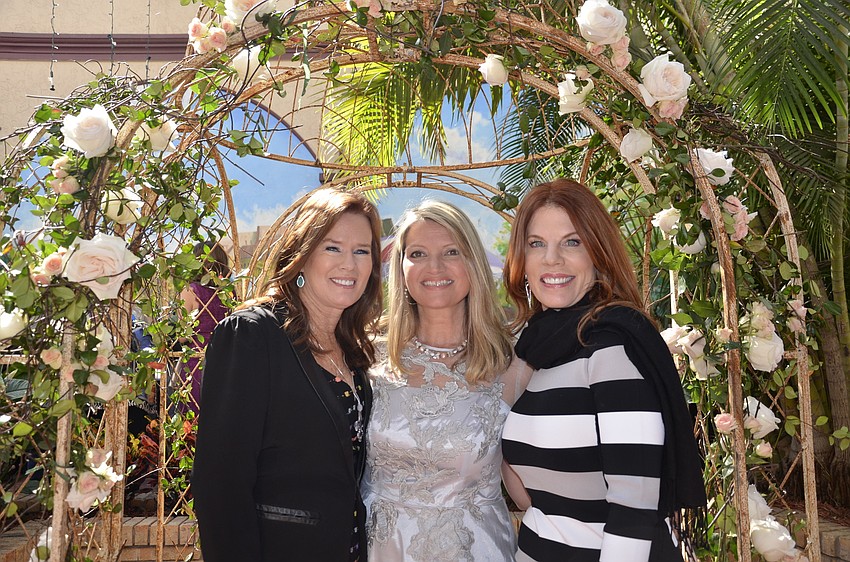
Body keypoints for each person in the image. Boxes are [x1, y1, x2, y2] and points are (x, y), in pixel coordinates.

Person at [501, 179, 706, 561]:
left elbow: (635, 508)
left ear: (598, 252)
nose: (552, 259)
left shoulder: (612, 348)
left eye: (572, 242)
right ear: (521, 259)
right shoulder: (539, 349)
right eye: (536, 243)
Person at [193, 188, 383, 562]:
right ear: (302, 253)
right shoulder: (251, 334)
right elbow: (221, 487)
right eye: (333, 247)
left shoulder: (351, 348)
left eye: (362, 251)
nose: (350, 264)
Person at [363, 200, 531, 561]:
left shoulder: (513, 363)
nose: (434, 267)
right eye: (418, 253)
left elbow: (528, 479)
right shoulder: (366, 357)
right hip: (379, 549)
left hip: (476, 549)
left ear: (473, 263)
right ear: (401, 268)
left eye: (451, 251)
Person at [175, 241, 230, 414]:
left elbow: (182, 336)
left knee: (192, 422)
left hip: (197, 360)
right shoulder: (229, 292)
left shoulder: (190, 291)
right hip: (224, 358)